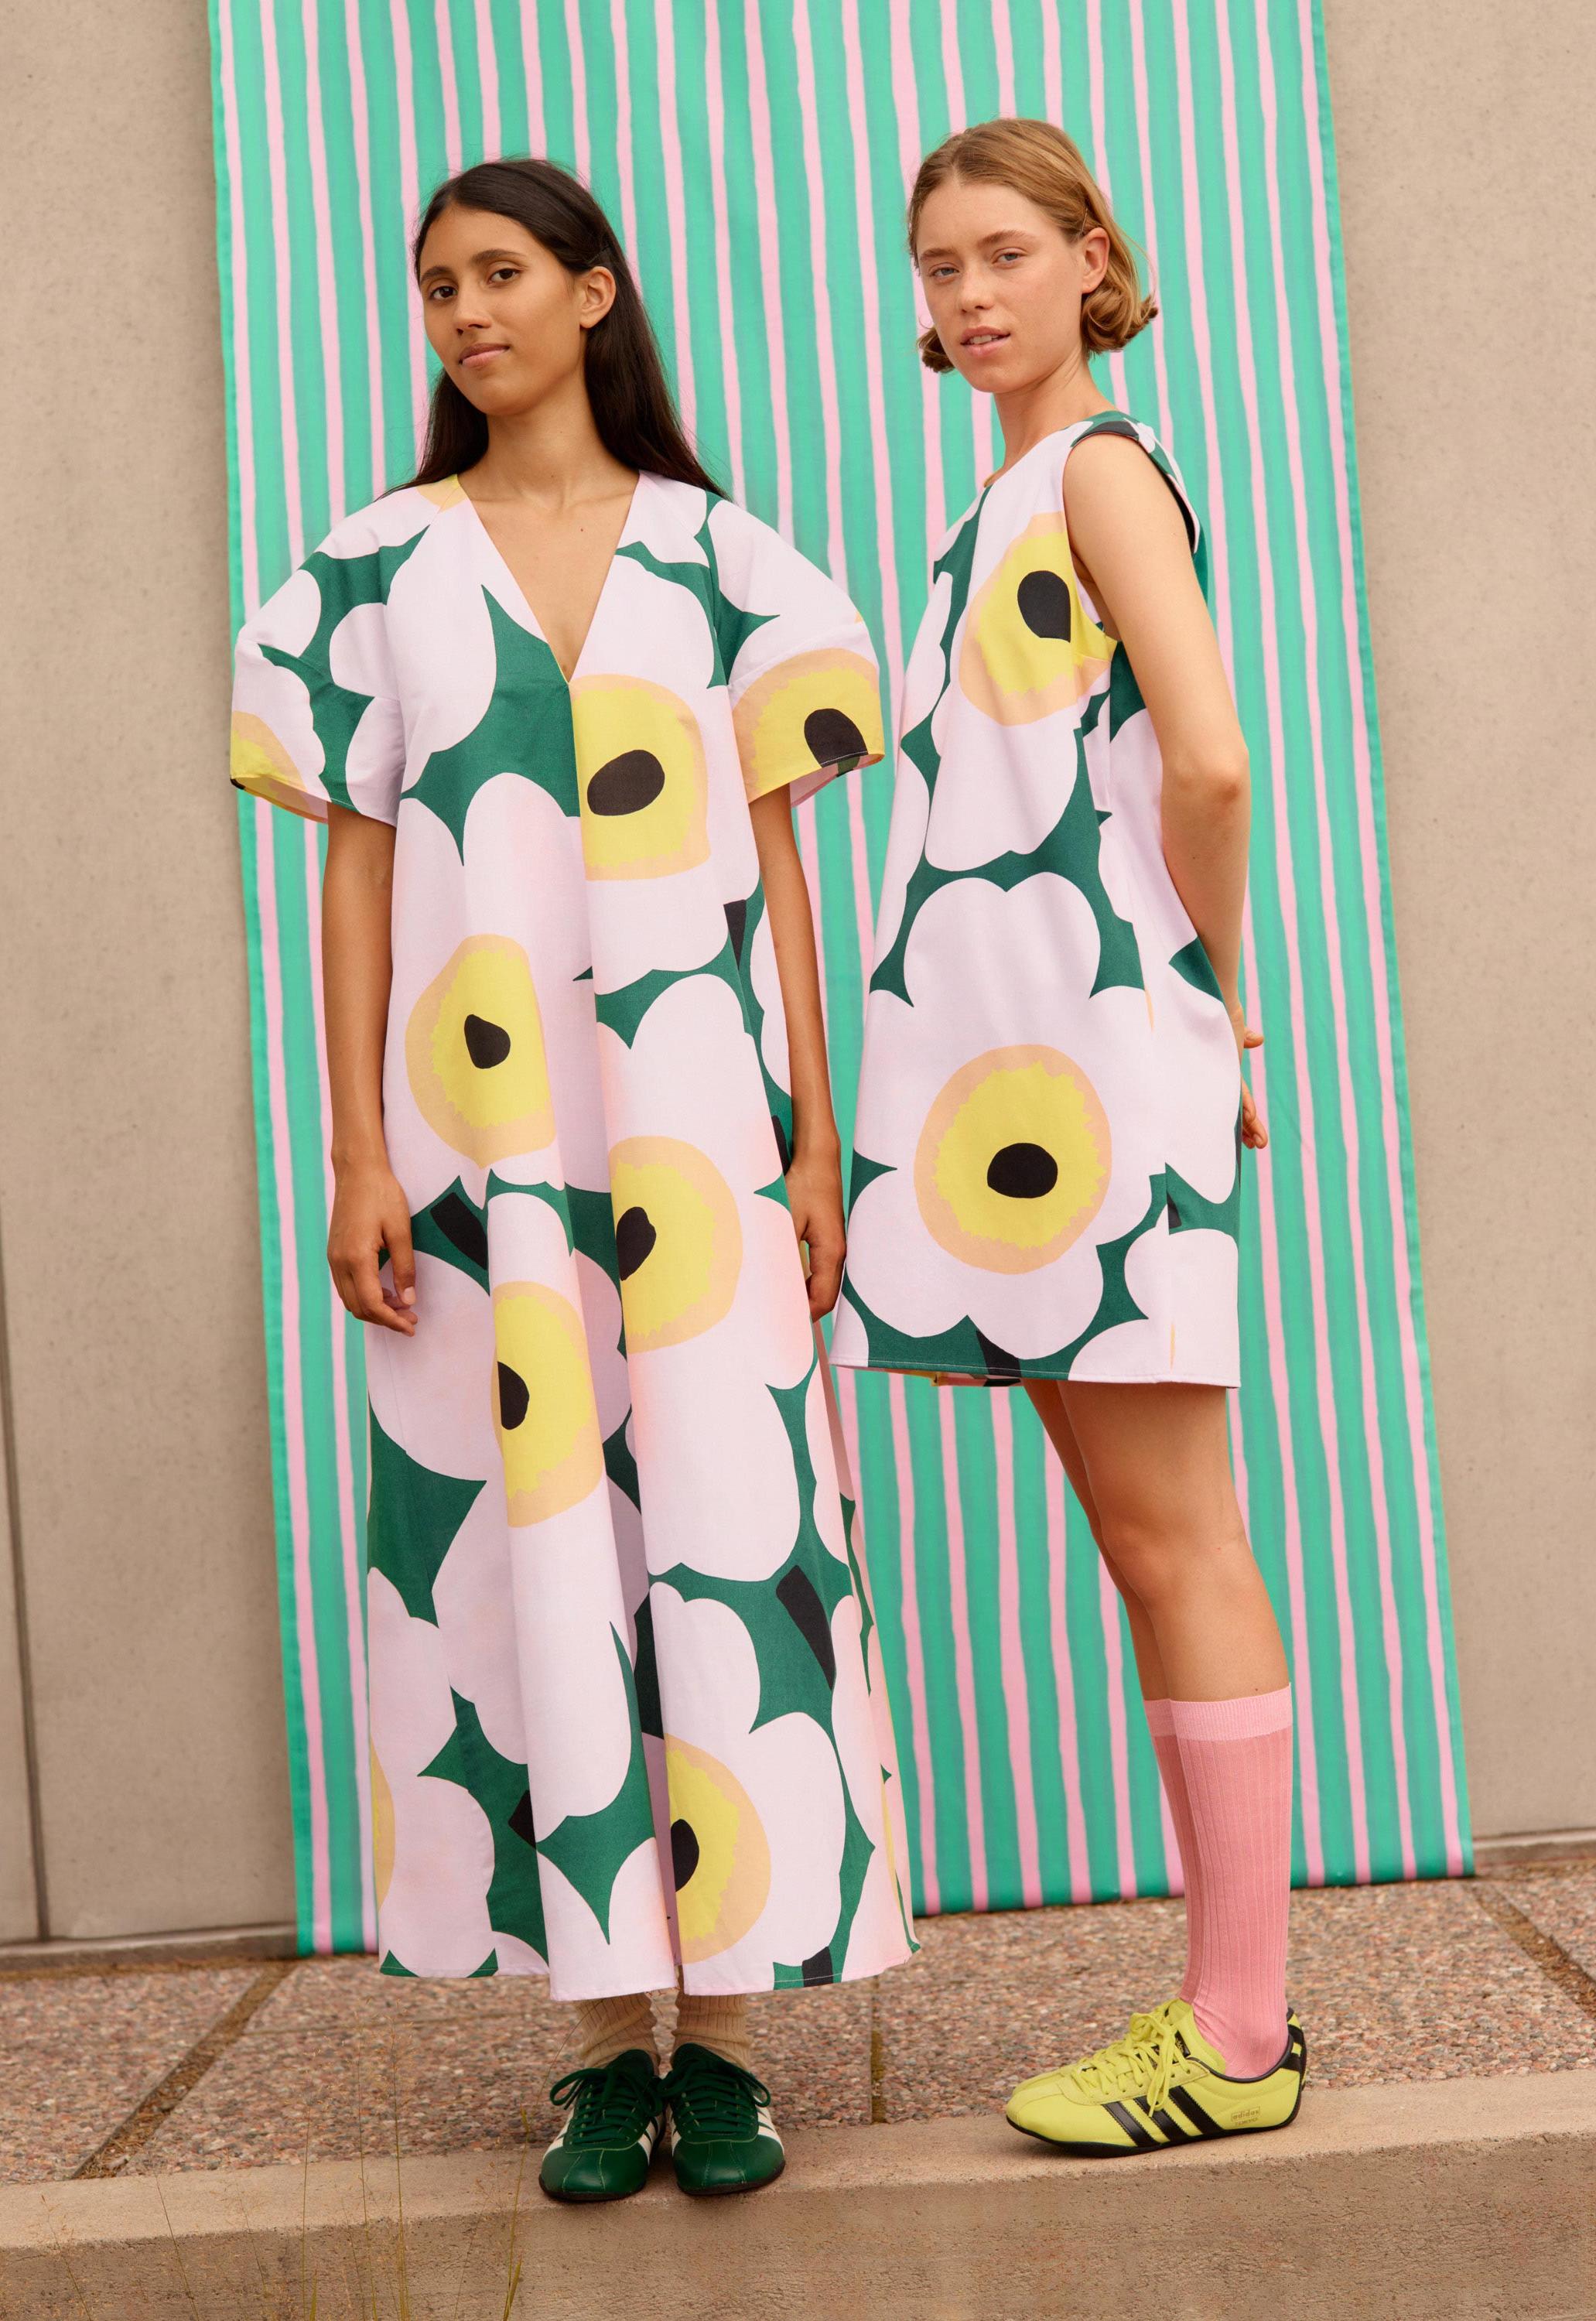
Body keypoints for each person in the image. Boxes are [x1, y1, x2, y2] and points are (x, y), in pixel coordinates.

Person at [229, 156, 914, 2204]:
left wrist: (815, 1133)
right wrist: (355, 1144)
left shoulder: (734, 568)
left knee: (720, 1533)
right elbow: (356, 871)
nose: (466, 312)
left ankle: (736, 2040)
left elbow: (782, 858)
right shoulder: (361, 576)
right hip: (476, 1161)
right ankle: (607, 2041)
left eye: (503, 274)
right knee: (519, 1553)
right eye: (438, 284)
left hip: (700, 1139)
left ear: (596, 292)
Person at [836, 118, 1306, 2151]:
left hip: (1093, 1080)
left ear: (1091, 260)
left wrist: (1217, 997)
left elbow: (1206, 754)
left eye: (1005, 252)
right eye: (939, 265)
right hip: (1014, 1094)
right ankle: (1227, 2014)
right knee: (1141, 1537)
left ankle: (1240, 2034)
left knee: (1177, 1532)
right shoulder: (1001, 500)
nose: (967, 295)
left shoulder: (1098, 473)